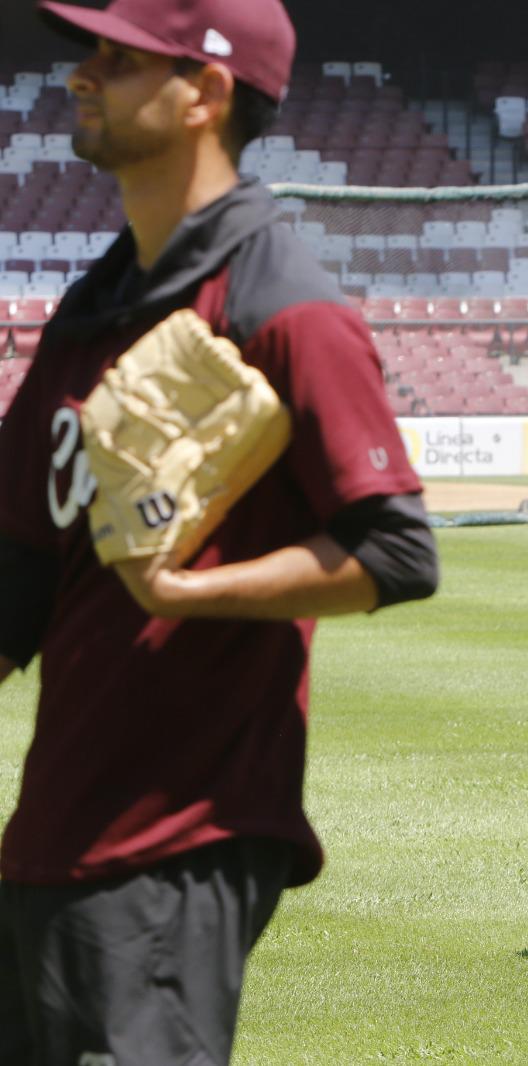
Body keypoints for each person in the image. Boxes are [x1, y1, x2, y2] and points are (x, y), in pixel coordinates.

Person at [0, 1, 439, 1062]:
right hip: (50, 835)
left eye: (118, 56)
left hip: (181, 837)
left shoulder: (286, 303)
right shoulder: (97, 304)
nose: (81, 75)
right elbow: (15, 577)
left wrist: (187, 591)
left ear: (205, 91)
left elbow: (395, 551)